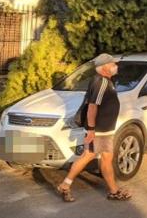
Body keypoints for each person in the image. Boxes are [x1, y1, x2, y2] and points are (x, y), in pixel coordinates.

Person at [56, 53, 132, 202]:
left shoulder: (102, 81)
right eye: (112, 64)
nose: (115, 67)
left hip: (103, 130)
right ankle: (66, 185)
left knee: (100, 158)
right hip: (99, 130)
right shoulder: (101, 82)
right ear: (104, 67)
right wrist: (91, 130)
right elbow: (92, 107)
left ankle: (112, 190)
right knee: (94, 157)